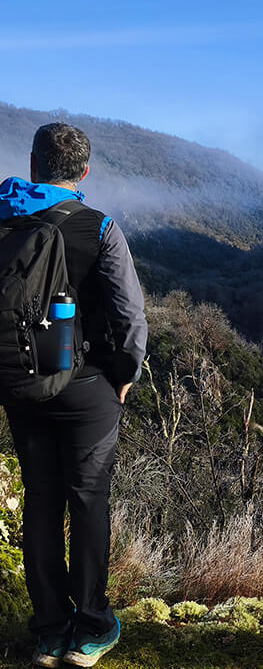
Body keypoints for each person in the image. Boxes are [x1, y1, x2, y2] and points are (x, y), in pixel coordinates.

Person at [0, 123, 147, 667]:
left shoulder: (4, 220)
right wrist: (124, 376)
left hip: (21, 385)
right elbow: (130, 318)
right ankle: (90, 630)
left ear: (32, 164)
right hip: (86, 387)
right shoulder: (99, 227)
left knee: (41, 500)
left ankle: (49, 631)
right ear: (84, 172)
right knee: (87, 500)